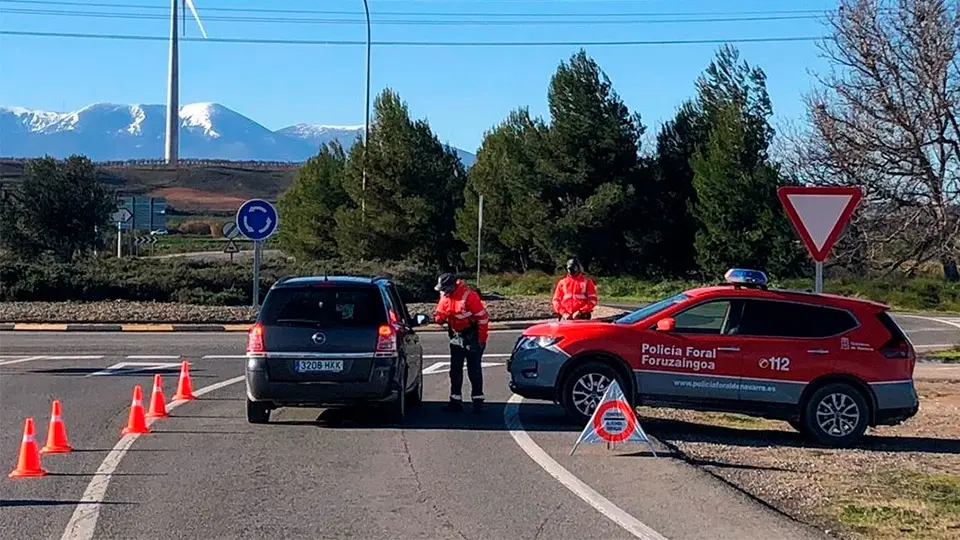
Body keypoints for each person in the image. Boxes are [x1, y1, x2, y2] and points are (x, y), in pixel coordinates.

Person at [434, 273, 489, 413]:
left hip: (472, 336)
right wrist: (439, 318)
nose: (443, 291)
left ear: (453, 286)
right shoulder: (445, 295)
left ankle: (478, 402)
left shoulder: (469, 296)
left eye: (445, 289)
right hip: (456, 336)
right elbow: (440, 314)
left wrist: (481, 340)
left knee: (474, 370)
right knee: (455, 370)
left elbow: (483, 318)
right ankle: (455, 401)